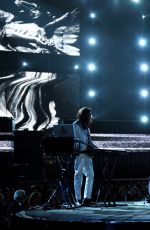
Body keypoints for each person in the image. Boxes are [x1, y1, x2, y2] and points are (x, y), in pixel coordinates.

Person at [73, 107, 96, 206]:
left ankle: (87, 198)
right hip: (80, 153)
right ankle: (78, 198)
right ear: (84, 115)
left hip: (87, 154)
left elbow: (89, 141)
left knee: (90, 175)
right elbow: (75, 140)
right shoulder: (75, 125)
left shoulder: (86, 126)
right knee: (78, 175)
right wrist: (84, 147)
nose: (90, 117)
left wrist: (94, 148)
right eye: (89, 115)